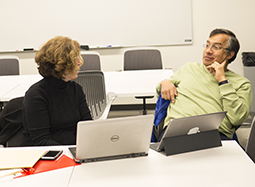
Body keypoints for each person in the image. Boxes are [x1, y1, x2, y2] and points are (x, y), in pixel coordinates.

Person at [156, 28, 252, 140]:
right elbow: (160, 91)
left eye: (216, 47)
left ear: (229, 54)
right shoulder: (190, 68)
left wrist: (223, 81)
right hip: (177, 132)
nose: (208, 51)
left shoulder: (242, 83)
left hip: (216, 134)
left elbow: (237, 118)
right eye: (207, 45)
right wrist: (165, 82)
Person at [21, 36, 92, 146]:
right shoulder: (36, 95)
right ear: (62, 64)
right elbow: (41, 141)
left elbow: (87, 126)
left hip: (75, 149)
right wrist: (70, 152)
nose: (79, 62)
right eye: (75, 59)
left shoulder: (76, 89)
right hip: (51, 153)